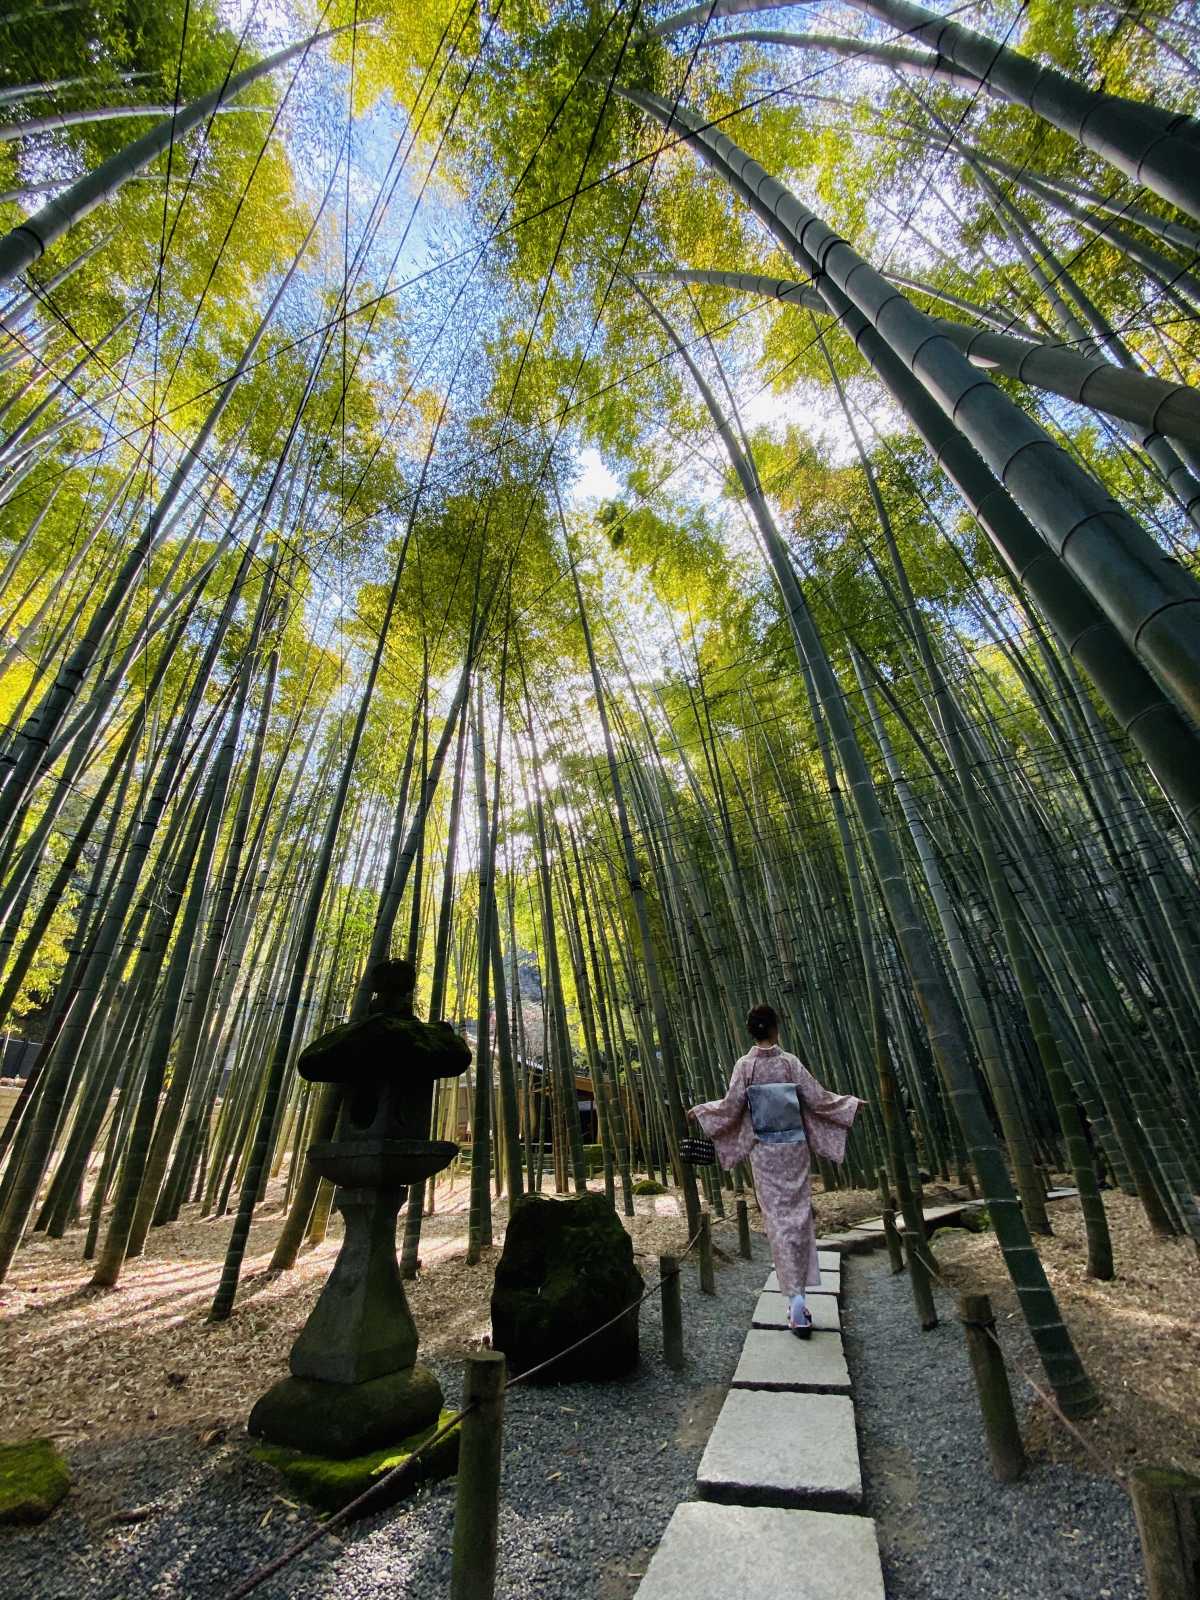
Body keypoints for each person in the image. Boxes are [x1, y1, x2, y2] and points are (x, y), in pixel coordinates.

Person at [687, 1003, 865, 1337]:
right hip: (794, 1148)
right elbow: (819, 1099)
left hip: (765, 1152)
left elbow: (729, 1109)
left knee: (778, 1223)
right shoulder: (789, 1063)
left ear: (753, 1031)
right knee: (798, 1218)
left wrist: (701, 1111)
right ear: (774, 1028)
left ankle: (795, 1299)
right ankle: (800, 1298)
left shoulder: (746, 1066)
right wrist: (850, 1104)